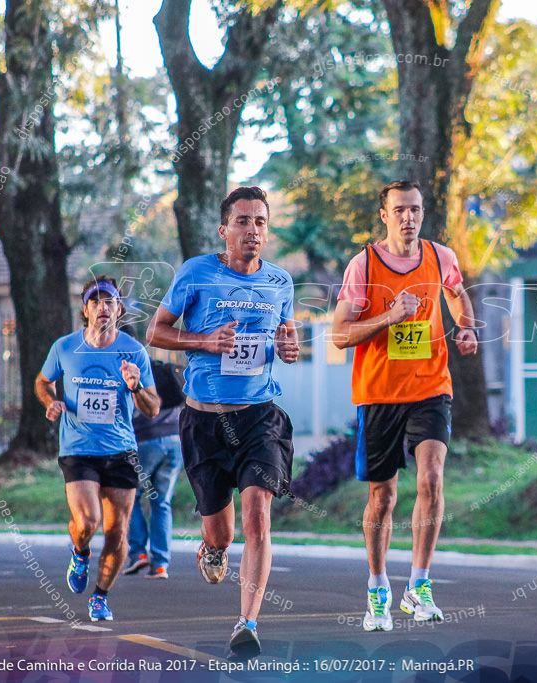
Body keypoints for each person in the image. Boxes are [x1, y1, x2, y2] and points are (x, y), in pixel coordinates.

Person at [146, 186, 299, 660]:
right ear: (223, 229)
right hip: (204, 422)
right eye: (243, 221)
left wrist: (289, 350)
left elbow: (284, 341)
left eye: (260, 221)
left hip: (260, 418)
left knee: (258, 517)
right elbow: (155, 333)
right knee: (223, 533)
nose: (252, 230)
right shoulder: (196, 273)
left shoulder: (281, 283)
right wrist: (205, 342)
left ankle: (247, 622)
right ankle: (212, 548)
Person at [331, 179, 478, 632]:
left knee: (432, 477)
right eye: (399, 210)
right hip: (378, 395)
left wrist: (466, 327)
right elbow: (339, 335)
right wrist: (391, 316)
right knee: (384, 497)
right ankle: (378, 588)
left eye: (414, 209)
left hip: (431, 386)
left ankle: (420, 584)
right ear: (384, 215)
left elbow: (455, 292)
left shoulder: (440, 256)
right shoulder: (364, 265)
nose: (408, 218)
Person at [35, 276, 161, 622]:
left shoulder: (134, 352)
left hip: (120, 450)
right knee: (87, 520)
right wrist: (51, 401)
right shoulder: (65, 347)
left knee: (117, 531)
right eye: (96, 301)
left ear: (119, 310)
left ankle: (100, 596)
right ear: (85, 309)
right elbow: (43, 381)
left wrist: (135, 386)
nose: (103, 307)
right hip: (78, 448)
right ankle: (79, 552)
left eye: (110, 302)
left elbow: (152, 408)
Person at [121, 359, 185, 580]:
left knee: (131, 497)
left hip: (146, 441)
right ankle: (160, 563)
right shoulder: (160, 367)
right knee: (162, 502)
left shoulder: (132, 373)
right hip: (175, 440)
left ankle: (138, 552)